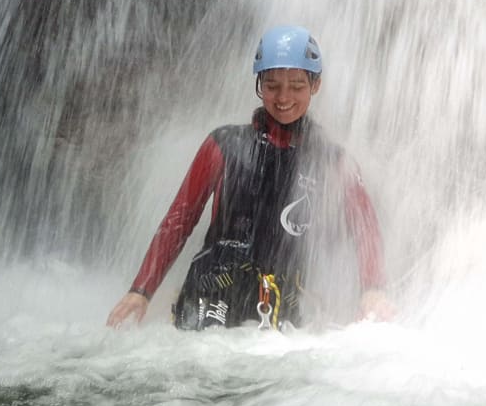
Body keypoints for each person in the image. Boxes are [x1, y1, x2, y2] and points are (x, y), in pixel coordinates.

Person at [107, 25, 393, 330]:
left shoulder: (332, 161)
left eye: (296, 86)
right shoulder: (224, 145)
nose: (283, 97)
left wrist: (373, 289)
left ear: (316, 84)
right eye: (272, 85)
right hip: (212, 293)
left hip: (281, 303)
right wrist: (141, 290)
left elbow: (365, 228)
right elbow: (180, 220)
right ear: (259, 84)